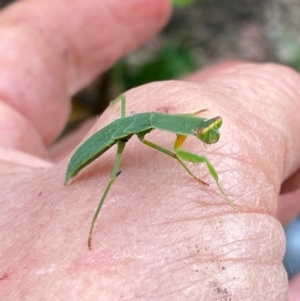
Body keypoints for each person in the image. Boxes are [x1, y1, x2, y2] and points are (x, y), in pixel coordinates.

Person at [0, 0, 299, 300]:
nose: (204, 134)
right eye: (201, 129)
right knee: (115, 171)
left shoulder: (157, 122)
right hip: (97, 148)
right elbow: (172, 145)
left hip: (127, 129)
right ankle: (92, 225)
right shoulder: (155, 126)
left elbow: (164, 132)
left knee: (154, 139)